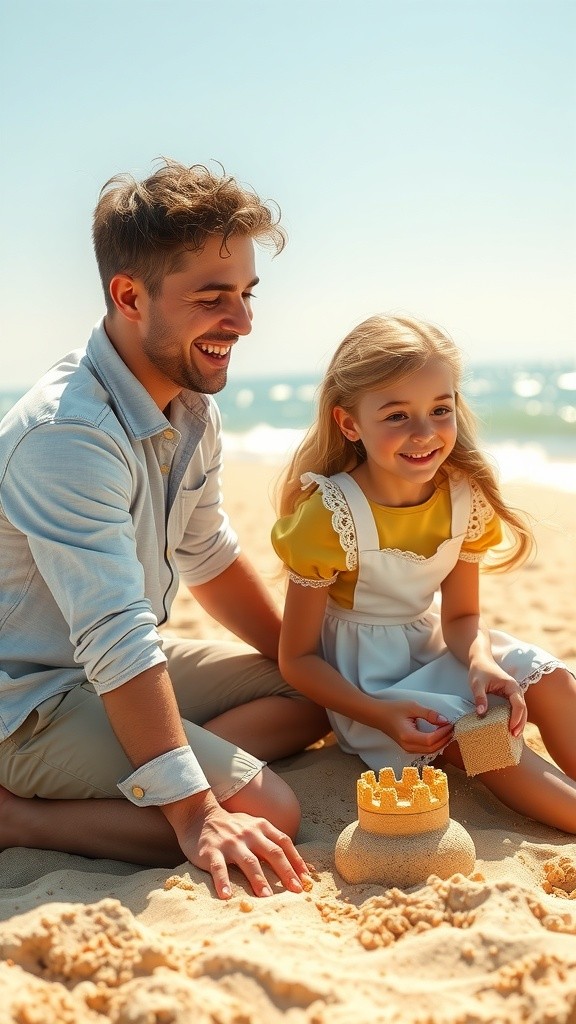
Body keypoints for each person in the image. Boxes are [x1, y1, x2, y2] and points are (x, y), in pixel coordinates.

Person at [0, 158, 329, 900]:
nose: (242, 322)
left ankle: (152, 767)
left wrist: (323, 671)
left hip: (111, 668)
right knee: (268, 807)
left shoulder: (188, 404)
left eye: (246, 295)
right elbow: (116, 635)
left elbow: (207, 554)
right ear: (128, 295)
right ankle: (20, 819)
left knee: (309, 686)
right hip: (30, 701)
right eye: (214, 298)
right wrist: (196, 810)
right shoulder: (67, 435)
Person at [272, 314, 576, 833]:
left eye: (441, 409)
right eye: (396, 416)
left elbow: (462, 617)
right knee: (485, 741)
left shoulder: (463, 496)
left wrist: (480, 661)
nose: (425, 433)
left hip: (438, 643)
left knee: (552, 679)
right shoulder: (329, 516)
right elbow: (296, 660)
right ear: (350, 424)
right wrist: (377, 714)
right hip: (370, 685)